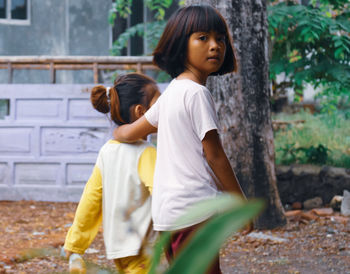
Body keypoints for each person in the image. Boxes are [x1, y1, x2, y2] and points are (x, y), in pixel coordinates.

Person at [113, 5, 247, 273]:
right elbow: (215, 155)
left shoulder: (172, 92)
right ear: (179, 45)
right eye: (202, 38)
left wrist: (116, 129)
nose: (215, 46)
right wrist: (240, 204)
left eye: (220, 39)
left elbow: (127, 132)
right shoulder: (196, 94)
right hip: (195, 210)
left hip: (167, 215)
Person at [63, 73, 161, 274]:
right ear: (141, 112)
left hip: (118, 249)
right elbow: (163, 196)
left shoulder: (107, 151)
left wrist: (75, 245)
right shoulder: (147, 153)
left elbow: (91, 199)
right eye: (159, 105)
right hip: (146, 249)